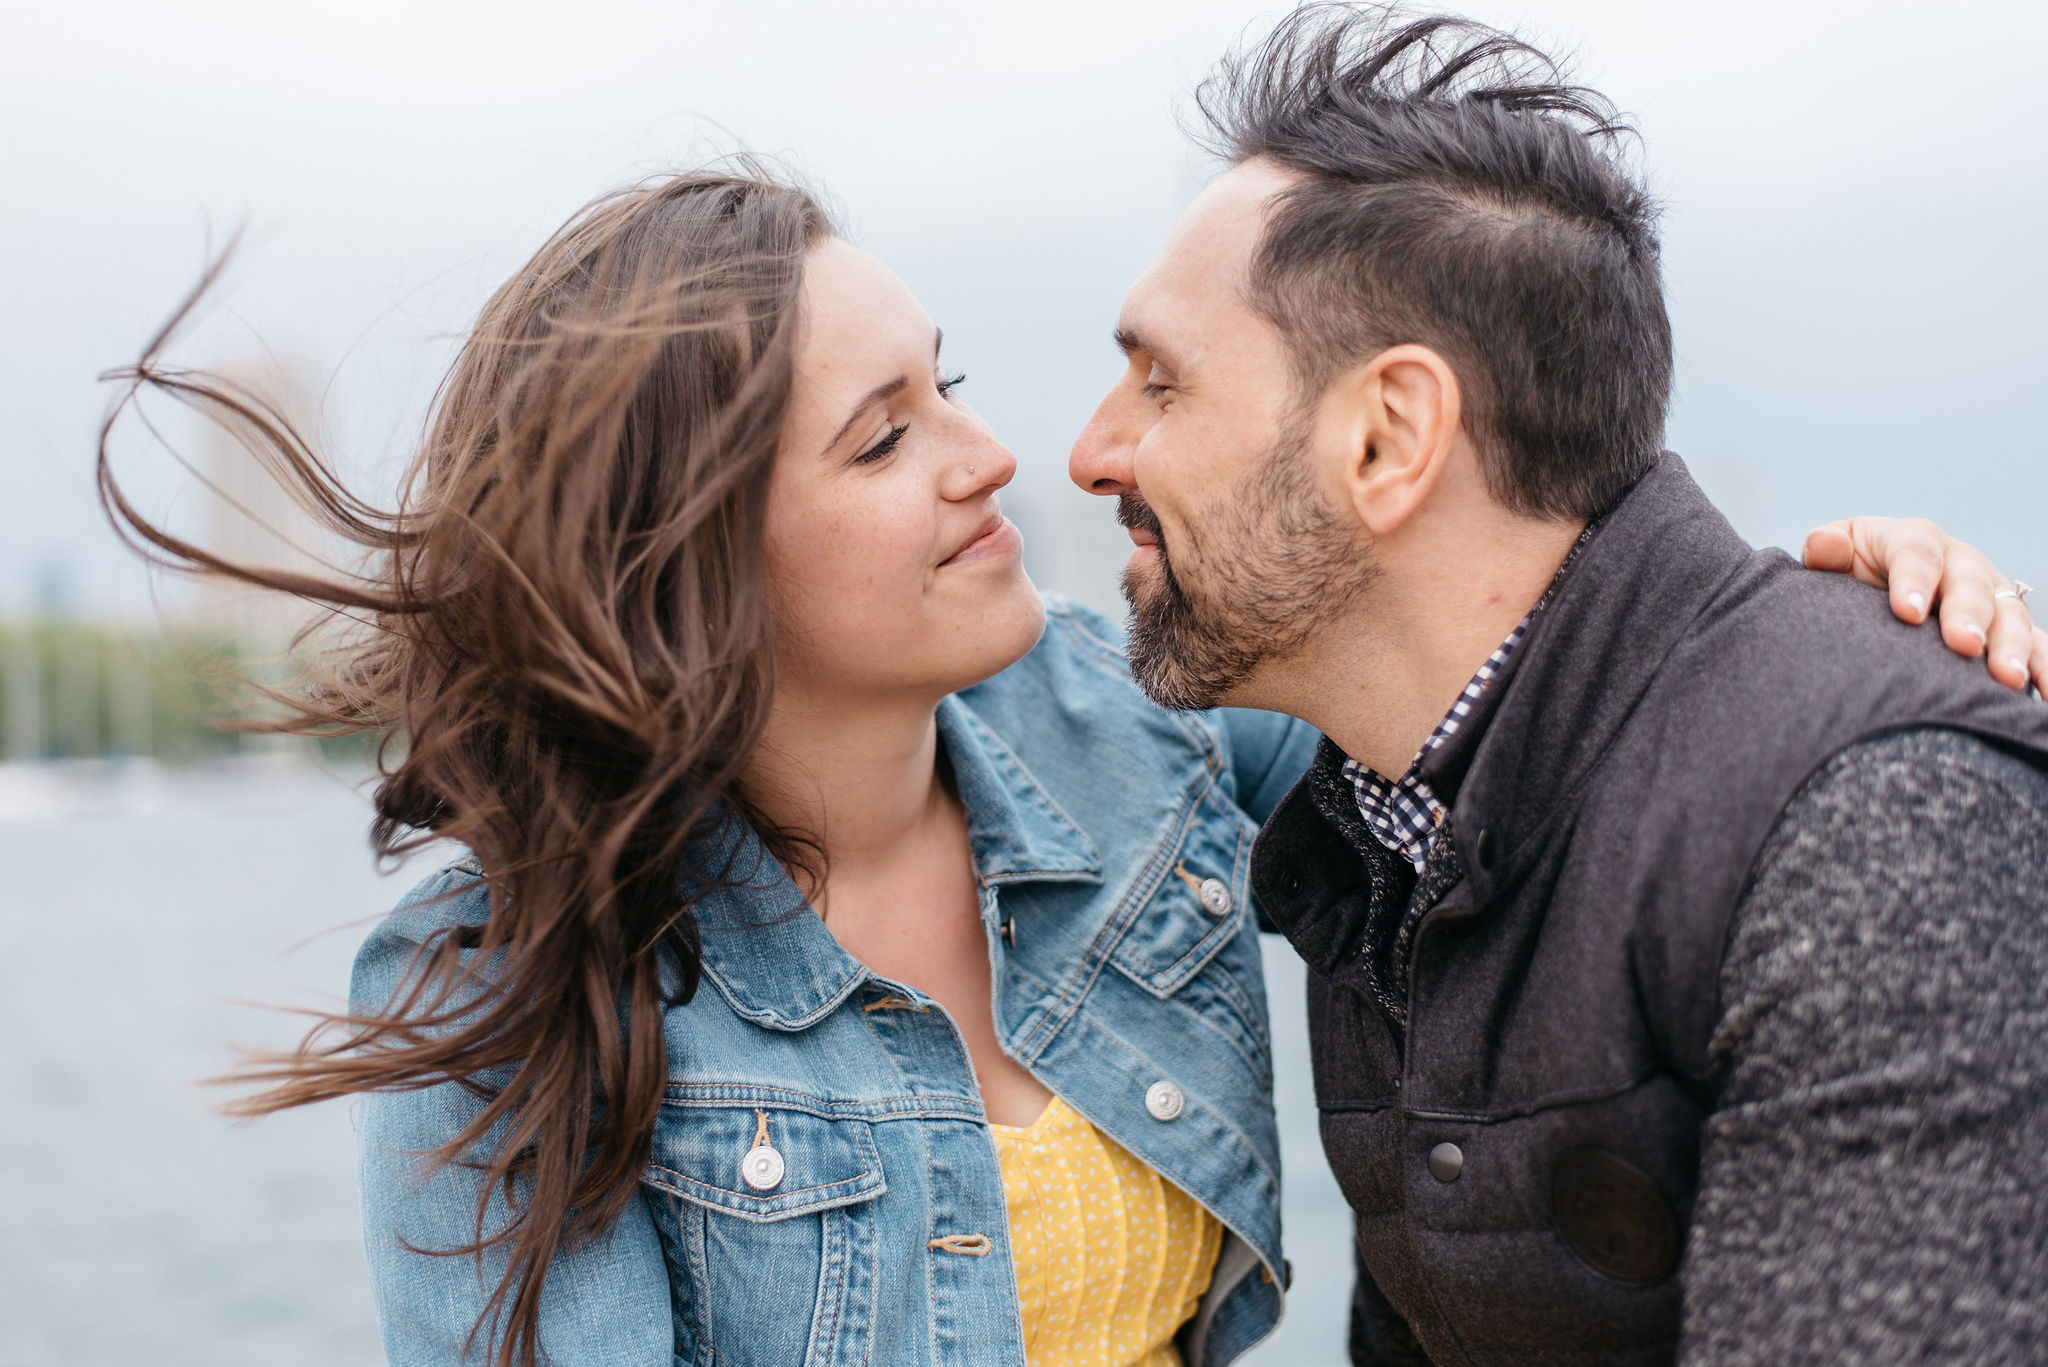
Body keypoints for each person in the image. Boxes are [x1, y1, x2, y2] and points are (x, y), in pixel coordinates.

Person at [101, 168, 2021, 1367]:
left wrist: (1828, 626)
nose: (992, 453)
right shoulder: (498, 990)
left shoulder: (1147, 740)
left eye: (948, 379)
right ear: (687, 569)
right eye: (882, 437)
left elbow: (1508, 701)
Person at [1067, 7, 2048, 1365]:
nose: (1091, 452)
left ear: (1388, 439)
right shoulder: (1381, 824)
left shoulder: (1875, 817)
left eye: (1160, 385)